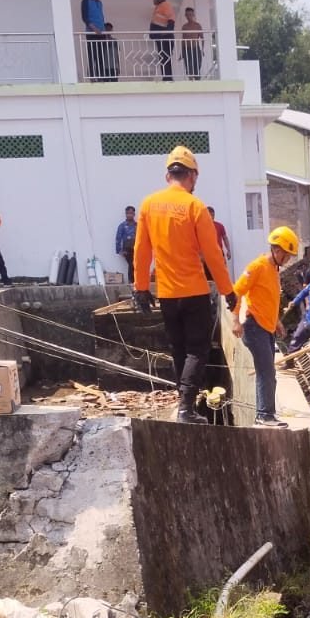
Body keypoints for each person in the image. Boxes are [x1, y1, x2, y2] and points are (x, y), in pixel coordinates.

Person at [133, 146, 235, 424]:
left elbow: (141, 250)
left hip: (166, 294)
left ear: (168, 175)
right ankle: (186, 408)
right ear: (191, 176)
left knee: (179, 350)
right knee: (197, 350)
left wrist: (140, 287)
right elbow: (213, 255)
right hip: (194, 293)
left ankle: (185, 403)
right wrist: (228, 291)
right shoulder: (195, 206)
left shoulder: (148, 205)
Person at [231, 226, 299, 427]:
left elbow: (269, 299)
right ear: (277, 250)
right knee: (266, 372)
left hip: (267, 328)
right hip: (254, 327)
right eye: (287, 256)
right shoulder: (257, 266)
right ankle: (264, 415)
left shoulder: (273, 271)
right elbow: (237, 291)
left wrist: (276, 322)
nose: (288, 261)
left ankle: (268, 413)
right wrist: (235, 320)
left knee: (270, 373)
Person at [80, 0, 107, 80]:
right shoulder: (85, 1)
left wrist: (103, 31)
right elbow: (85, 17)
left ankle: (101, 77)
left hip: (101, 33)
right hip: (92, 33)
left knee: (101, 56)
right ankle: (92, 77)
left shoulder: (99, 2)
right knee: (92, 55)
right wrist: (94, 28)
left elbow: (101, 17)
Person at [149, 0, 176, 81]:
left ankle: (168, 79)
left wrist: (164, 34)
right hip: (161, 38)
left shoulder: (166, 6)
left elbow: (171, 21)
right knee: (163, 59)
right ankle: (165, 77)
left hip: (165, 39)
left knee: (165, 58)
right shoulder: (158, 7)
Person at [180, 7, 203, 80]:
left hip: (196, 49)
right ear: (185, 15)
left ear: (193, 15)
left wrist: (202, 49)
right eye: (187, 15)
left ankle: (198, 86)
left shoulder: (197, 26)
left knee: (197, 69)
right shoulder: (184, 27)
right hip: (187, 50)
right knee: (189, 69)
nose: (189, 16)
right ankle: (191, 84)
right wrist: (182, 52)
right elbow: (183, 40)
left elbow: (202, 38)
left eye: (190, 14)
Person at [115, 205, 136, 283]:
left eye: (131, 213)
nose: (129, 215)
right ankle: (131, 281)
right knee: (131, 264)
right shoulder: (122, 226)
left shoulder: (137, 225)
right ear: (126, 214)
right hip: (126, 249)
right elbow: (118, 238)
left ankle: (136, 281)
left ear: (134, 214)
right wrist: (119, 250)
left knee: (135, 265)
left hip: (136, 248)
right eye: (128, 213)